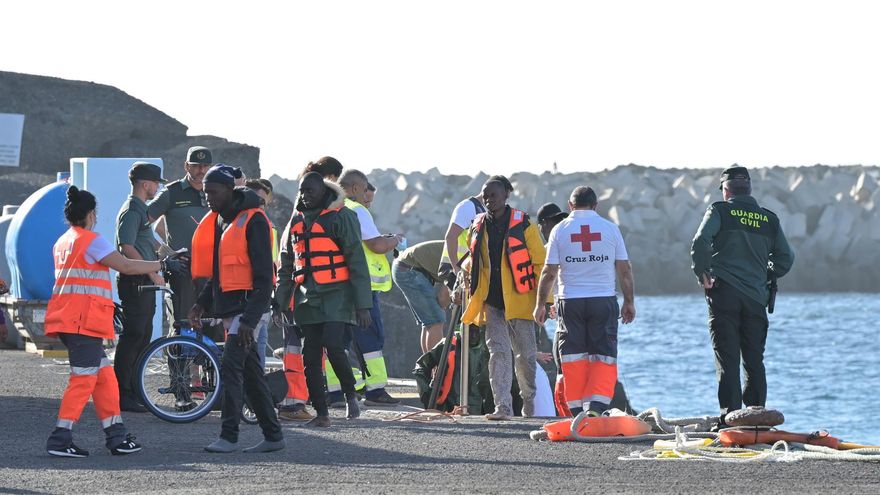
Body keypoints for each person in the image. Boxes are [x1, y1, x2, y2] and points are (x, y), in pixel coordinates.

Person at [45, 186, 183, 458]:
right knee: (83, 379)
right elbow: (126, 265)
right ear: (91, 214)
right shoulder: (91, 240)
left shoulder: (63, 241)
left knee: (104, 378)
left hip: (70, 319)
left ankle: (116, 436)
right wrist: (161, 265)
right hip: (83, 322)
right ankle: (60, 438)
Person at [188, 164, 284, 453]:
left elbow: (265, 278)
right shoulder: (222, 220)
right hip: (232, 311)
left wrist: (248, 321)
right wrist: (201, 304)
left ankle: (228, 436)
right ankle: (274, 436)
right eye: (205, 193)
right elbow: (219, 272)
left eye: (213, 192)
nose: (208, 198)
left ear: (230, 191)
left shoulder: (254, 221)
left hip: (248, 311)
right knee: (252, 374)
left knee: (230, 368)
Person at [691, 166, 794, 426]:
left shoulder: (720, 210)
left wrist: (702, 272)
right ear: (748, 189)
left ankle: (729, 417)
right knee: (753, 359)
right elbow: (786, 258)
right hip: (756, 298)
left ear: (726, 191)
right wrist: (768, 273)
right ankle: (756, 417)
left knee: (727, 357)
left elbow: (701, 241)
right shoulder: (768, 219)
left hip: (723, 291)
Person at [275, 172, 373, 427]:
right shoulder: (295, 221)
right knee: (310, 355)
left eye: (311, 191)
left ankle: (350, 394)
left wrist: (363, 305)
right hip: (308, 297)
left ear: (324, 192)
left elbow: (357, 261)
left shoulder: (342, 217)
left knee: (333, 343)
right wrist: (280, 302)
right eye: (302, 191)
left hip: (338, 295)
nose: (305, 196)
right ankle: (322, 414)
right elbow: (286, 264)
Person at [533, 187, 636, 417]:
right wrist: (629, 302)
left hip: (571, 302)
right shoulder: (610, 229)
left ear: (570, 206)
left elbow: (549, 272)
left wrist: (540, 304)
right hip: (603, 300)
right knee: (604, 353)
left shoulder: (559, 230)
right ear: (596, 205)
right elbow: (625, 269)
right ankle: (597, 407)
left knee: (572, 355)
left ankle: (577, 408)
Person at [461, 176, 546, 420]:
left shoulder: (524, 225)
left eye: (493, 195)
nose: (488, 200)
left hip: (521, 300)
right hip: (491, 301)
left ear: (507, 195)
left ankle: (528, 404)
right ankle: (503, 408)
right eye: (485, 196)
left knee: (526, 357)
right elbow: (472, 258)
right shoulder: (477, 225)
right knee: (498, 352)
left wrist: (545, 301)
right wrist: (463, 280)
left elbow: (540, 263)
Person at [330, 169, 401, 406]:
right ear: (355, 188)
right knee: (370, 336)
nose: (366, 195)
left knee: (338, 339)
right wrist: (393, 240)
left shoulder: (333, 209)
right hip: (362, 286)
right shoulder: (357, 210)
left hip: (336, 284)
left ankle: (335, 391)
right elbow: (376, 245)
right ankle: (375, 390)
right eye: (363, 189)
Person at [114, 161, 166, 413]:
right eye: (156, 183)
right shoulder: (133, 210)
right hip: (136, 281)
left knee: (142, 336)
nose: (157, 187)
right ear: (145, 184)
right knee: (133, 337)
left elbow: (146, 242)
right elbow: (126, 247)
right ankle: (122, 394)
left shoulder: (139, 209)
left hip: (142, 281)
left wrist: (166, 255)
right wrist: (153, 272)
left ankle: (133, 392)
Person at [148, 146, 212, 326]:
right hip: (183, 269)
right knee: (183, 322)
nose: (202, 170)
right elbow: (143, 224)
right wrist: (165, 252)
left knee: (211, 323)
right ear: (187, 166)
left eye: (206, 166)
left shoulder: (215, 191)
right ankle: (180, 354)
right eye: (197, 166)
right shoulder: (171, 193)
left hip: (211, 268)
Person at [392, 240, 451, 353]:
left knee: (430, 322)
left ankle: (428, 367)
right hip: (410, 270)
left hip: (405, 267)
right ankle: (435, 367)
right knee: (436, 320)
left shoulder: (465, 249)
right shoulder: (467, 259)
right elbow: (443, 298)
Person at [439, 188, 487, 287]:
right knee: (449, 298)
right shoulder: (468, 207)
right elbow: (450, 236)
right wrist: (456, 268)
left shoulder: (485, 210)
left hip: (467, 266)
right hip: (456, 264)